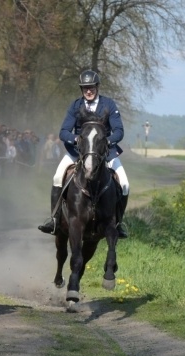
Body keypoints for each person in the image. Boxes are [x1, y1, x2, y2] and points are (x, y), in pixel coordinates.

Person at [38, 69, 129, 237]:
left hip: (104, 152)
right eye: (85, 88)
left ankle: (118, 224)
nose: (88, 91)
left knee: (124, 183)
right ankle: (55, 220)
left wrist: (105, 142)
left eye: (92, 87)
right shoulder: (75, 105)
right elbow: (64, 131)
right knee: (58, 177)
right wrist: (76, 139)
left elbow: (119, 131)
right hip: (79, 151)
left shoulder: (109, 105)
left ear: (97, 87)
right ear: (81, 89)